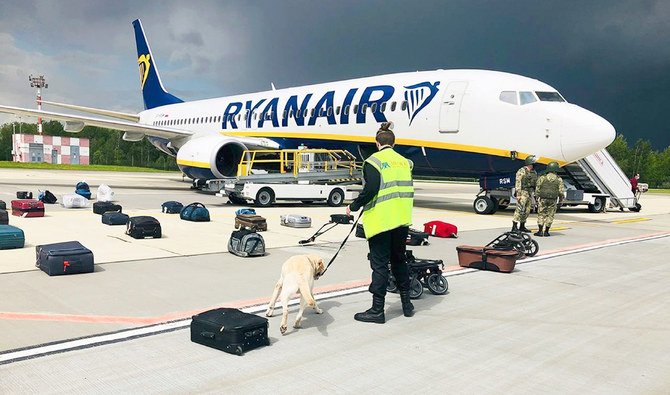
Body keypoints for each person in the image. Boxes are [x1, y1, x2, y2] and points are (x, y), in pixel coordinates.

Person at [346, 122, 414, 324]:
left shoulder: (373, 161)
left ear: (377, 143)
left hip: (382, 221)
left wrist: (354, 205)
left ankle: (377, 310)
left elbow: (371, 189)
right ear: (393, 143)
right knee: (399, 261)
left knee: (380, 266)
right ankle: (407, 305)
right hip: (402, 220)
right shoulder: (405, 162)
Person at [535, 162, 565, 237]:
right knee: (550, 215)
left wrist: (537, 197)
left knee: (541, 214)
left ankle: (540, 231)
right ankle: (546, 232)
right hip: (553, 200)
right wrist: (561, 200)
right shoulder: (559, 179)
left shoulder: (542, 177)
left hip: (543, 199)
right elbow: (561, 192)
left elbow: (537, 189)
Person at [512, 155, 538, 233]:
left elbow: (535, 183)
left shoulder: (534, 172)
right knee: (519, 209)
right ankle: (514, 226)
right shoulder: (521, 171)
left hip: (530, 193)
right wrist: (518, 194)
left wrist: (535, 194)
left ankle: (522, 226)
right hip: (523, 192)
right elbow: (518, 182)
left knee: (527, 210)